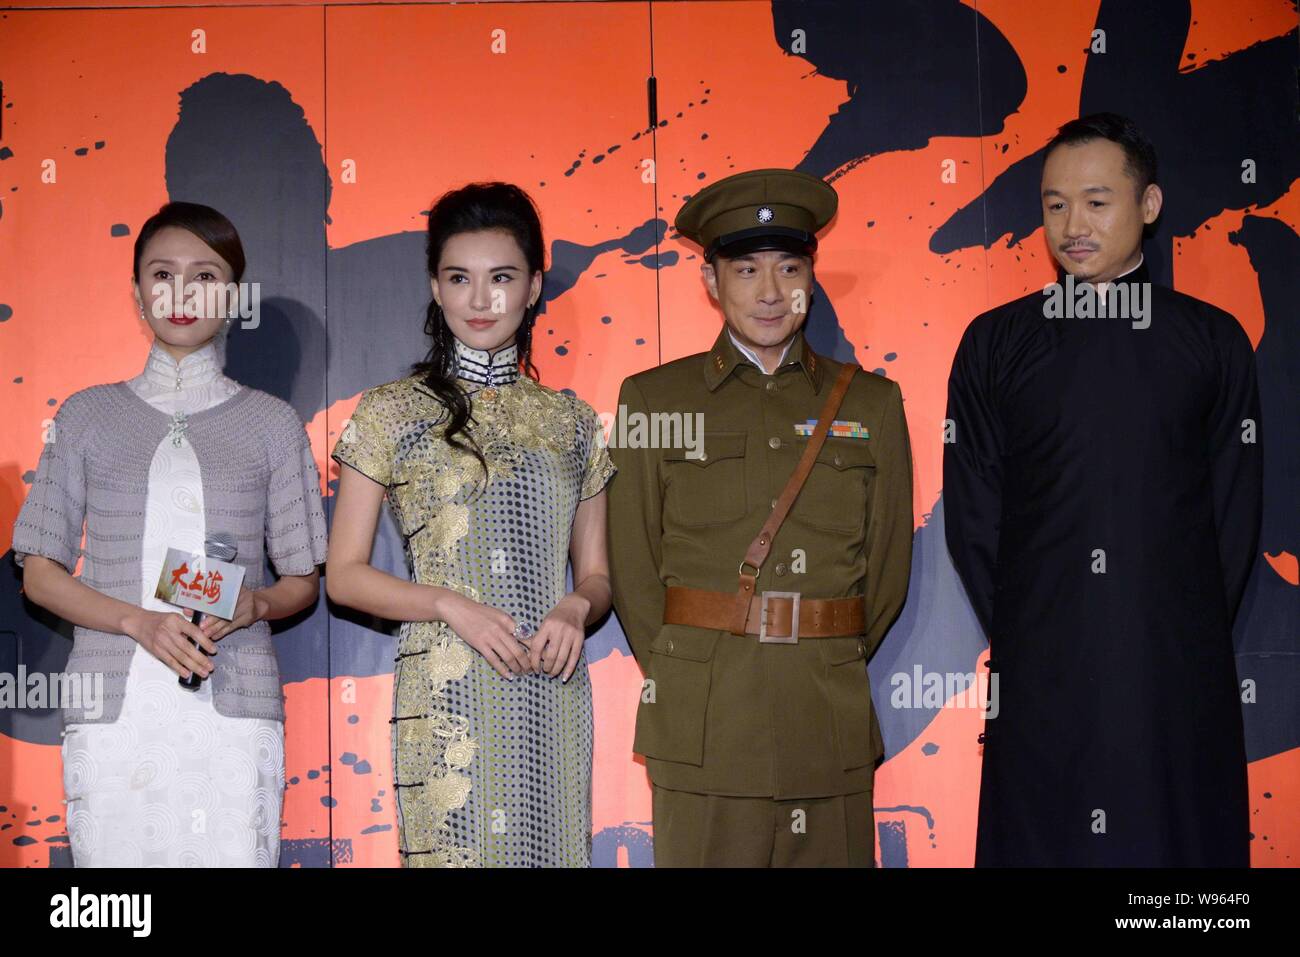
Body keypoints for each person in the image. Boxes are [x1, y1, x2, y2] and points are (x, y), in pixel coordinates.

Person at [943, 113, 1263, 866]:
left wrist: (1173, 633)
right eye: (1054, 205)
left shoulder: (1213, 340)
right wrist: (1040, 632)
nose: (1071, 225)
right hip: (1041, 677)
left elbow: (1235, 514)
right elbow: (975, 517)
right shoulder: (996, 343)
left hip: (1176, 678)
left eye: (1095, 201)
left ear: (1149, 205)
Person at [606, 168, 914, 867]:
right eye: (746, 269)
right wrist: (696, 668)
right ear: (711, 281)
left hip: (825, 719)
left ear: (812, 273)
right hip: (705, 727)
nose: (771, 292)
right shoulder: (654, 400)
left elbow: (888, 571)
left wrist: (824, 649)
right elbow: (632, 568)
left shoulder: (872, 404)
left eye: (789, 268)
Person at [12, 201, 328, 866]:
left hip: (233, 697)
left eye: (205, 276)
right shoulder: (86, 415)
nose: (182, 294)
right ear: (137, 292)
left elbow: (303, 578)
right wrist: (138, 622)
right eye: (163, 274)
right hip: (113, 706)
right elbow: (39, 573)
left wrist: (259, 603)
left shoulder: (272, 423)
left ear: (234, 295)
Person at [327, 182, 615, 867]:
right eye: (460, 278)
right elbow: (343, 575)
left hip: (550, 684)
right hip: (447, 687)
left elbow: (598, 573)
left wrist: (576, 606)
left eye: (502, 278)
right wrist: (450, 605)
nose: (481, 300)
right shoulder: (390, 412)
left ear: (534, 286)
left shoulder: (572, 422)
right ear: (435, 286)